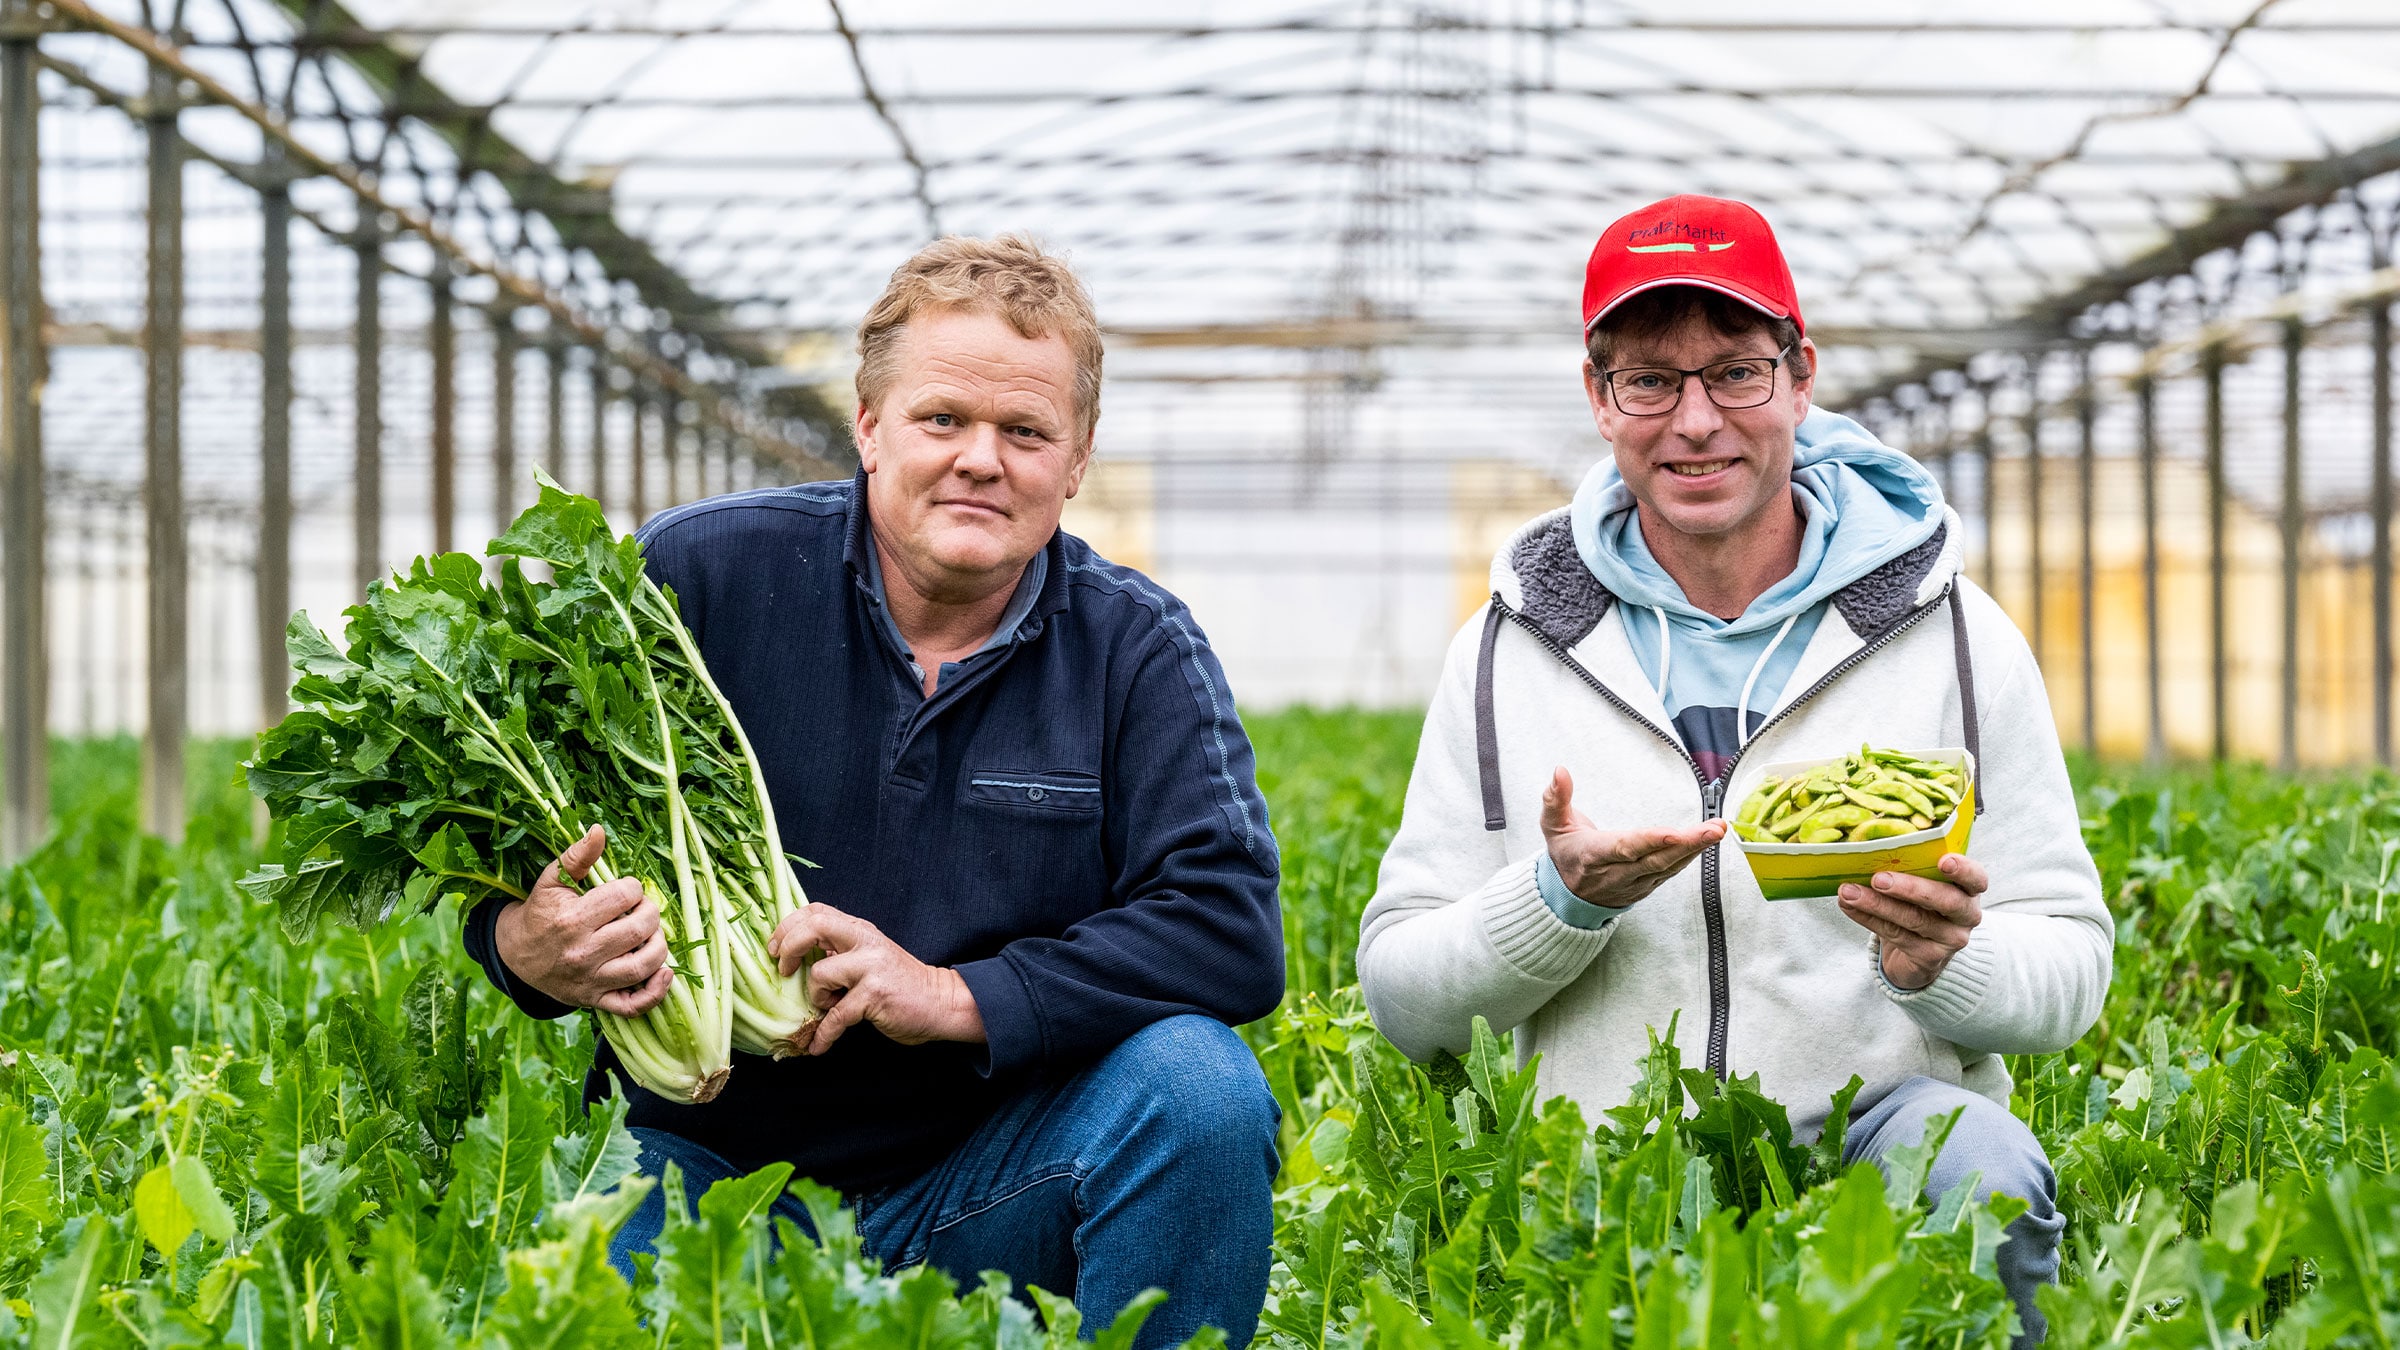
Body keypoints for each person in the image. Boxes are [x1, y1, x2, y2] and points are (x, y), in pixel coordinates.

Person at [461, 235, 1285, 1349]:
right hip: (708, 1171)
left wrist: (955, 997)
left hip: (995, 1179)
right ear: (868, 424)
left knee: (1201, 1094)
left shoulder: (1134, 647)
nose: (981, 459)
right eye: (943, 418)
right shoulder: (697, 579)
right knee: (593, 1257)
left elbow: (1229, 931)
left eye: (1025, 431)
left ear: (1077, 458)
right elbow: (516, 850)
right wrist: (523, 944)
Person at [1355, 195, 2110, 1348]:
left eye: (1737, 373)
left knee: (1985, 1166)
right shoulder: (1507, 650)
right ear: (1600, 399)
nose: (1695, 421)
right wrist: (1553, 906)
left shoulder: (1956, 635)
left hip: (1874, 1129)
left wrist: (1949, 962)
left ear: (1801, 379)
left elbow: (2073, 969)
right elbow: (1406, 1000)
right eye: (1651, 380)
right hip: (1610, 1154)